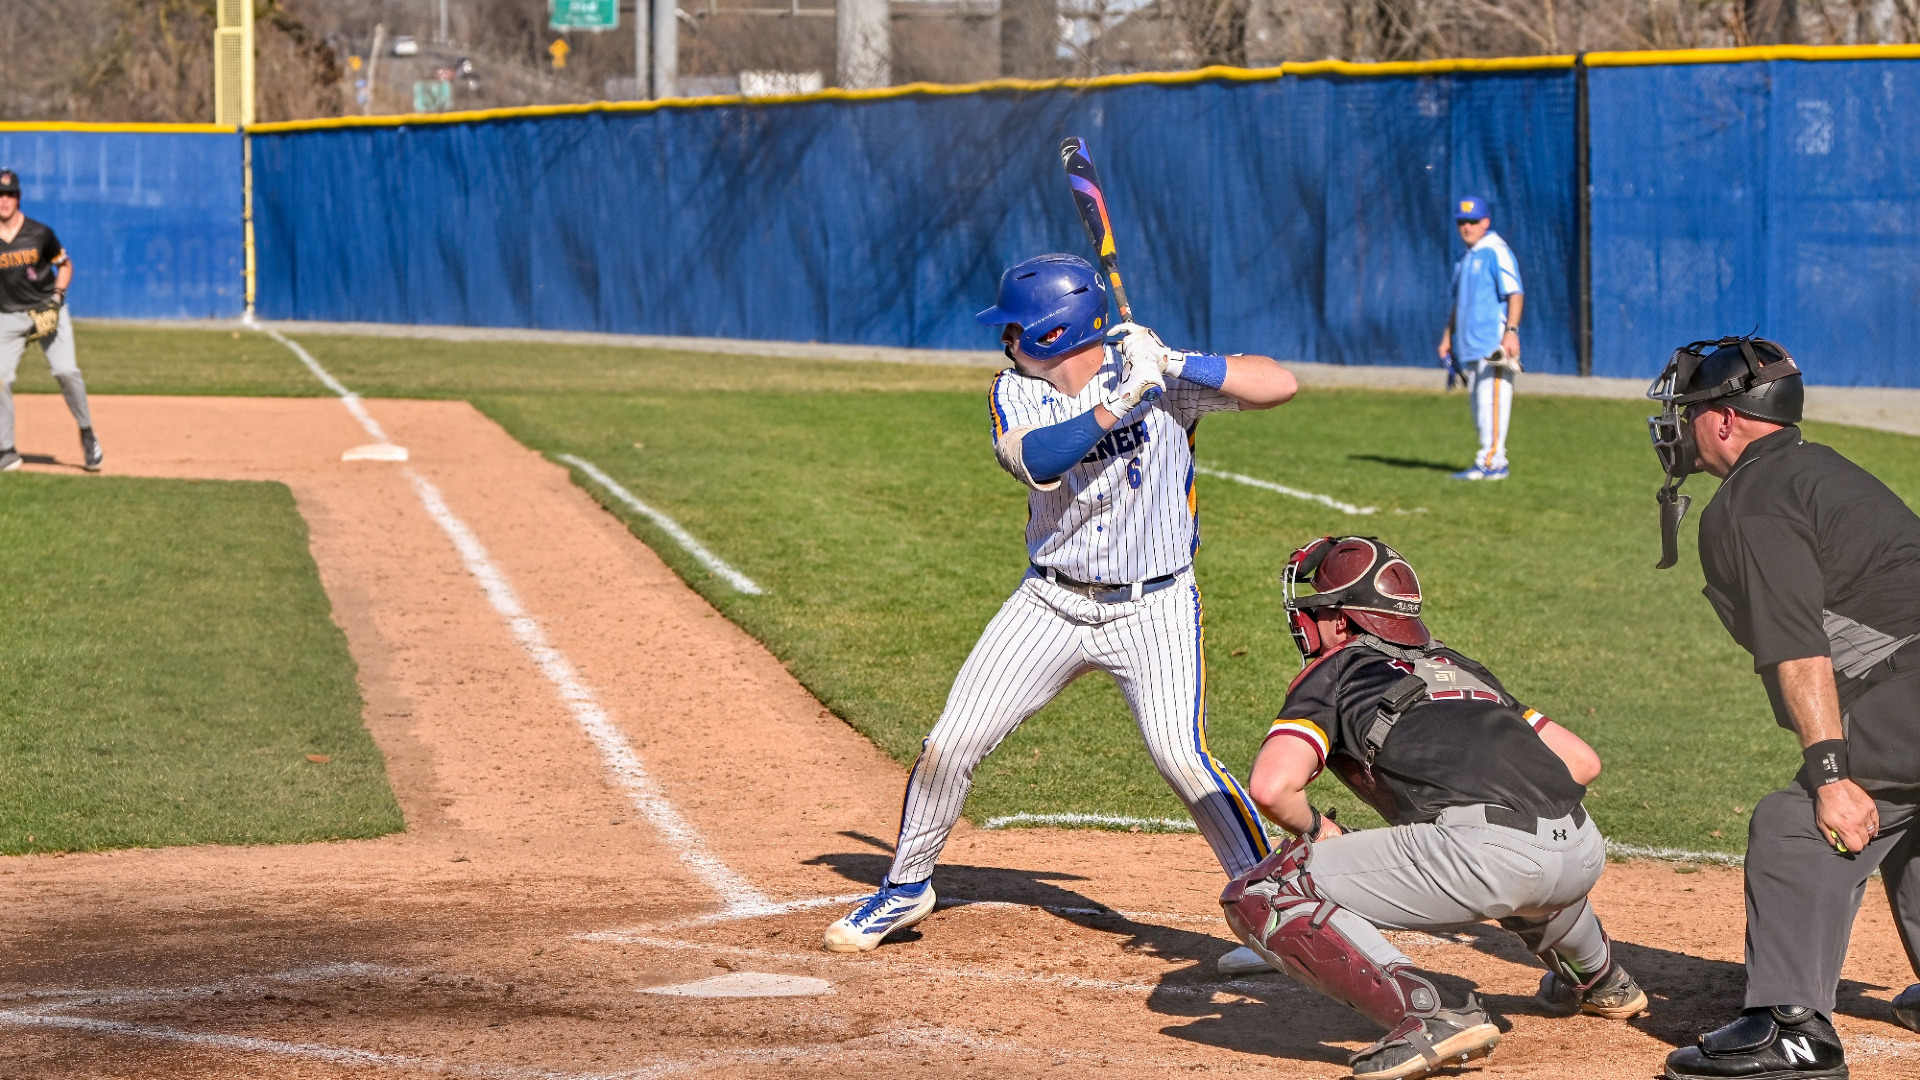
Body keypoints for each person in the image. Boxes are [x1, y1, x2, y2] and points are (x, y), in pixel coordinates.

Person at [822, 253, 1298, 952]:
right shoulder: (1015, 392)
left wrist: (1174, 362)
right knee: (951, 742)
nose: (1002, 339)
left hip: (1154, 608)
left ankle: (1278, 918)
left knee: (1182, 757)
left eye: (1011, 327)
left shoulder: (1154, 373)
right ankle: (905, 887)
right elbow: (1038, 461)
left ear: (1047, 332)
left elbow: (1279, 384)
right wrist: (1118, 404)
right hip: (1049, 604)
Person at [1223, 535, 1645, 1080]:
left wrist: (1321, 828)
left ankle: (1430, 1017)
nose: (1308, 619)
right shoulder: (1459, 667)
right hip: (1583, 850)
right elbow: (1582, 763)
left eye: (1319, 609)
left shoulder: (1334, 672)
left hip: (1494, 859)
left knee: (1264, 892)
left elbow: (1272, 787)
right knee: (1512, 860)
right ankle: (1601, 979)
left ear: (1346, 622)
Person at [1647, 336, 1920, 1080]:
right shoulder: (1817, 469)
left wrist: (1831, 774)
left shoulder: (1754, 499)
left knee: (1802, 823)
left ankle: (1790, 1029)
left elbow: (1799, 648)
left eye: (1692, 409)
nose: (1679, 423)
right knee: (1904, 811)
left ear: (1728, 420)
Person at [0, 168, 100, 473]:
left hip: (46, 309)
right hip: (8, 316)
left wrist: (56, 300)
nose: (4, 200)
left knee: (65, 370)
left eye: (10, 194)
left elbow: (65, 266)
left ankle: (87, 434)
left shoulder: (39, 233)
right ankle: (6, 450)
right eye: (0, 195)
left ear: (19, 198)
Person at [1438, 196, 1521, 482]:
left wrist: (1510, 332)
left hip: (1493, 345)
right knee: (1479, 408)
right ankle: (1487, 458)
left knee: (1492, 403)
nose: (1467, 226)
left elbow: (1515, 293)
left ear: (1486, 222)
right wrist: (1448, 336)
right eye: (1462, 221)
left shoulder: (1496, 251)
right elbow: (1458, 303)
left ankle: (1494, 463)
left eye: (1473, 221)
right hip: (1471, 346)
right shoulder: (1465, 258)